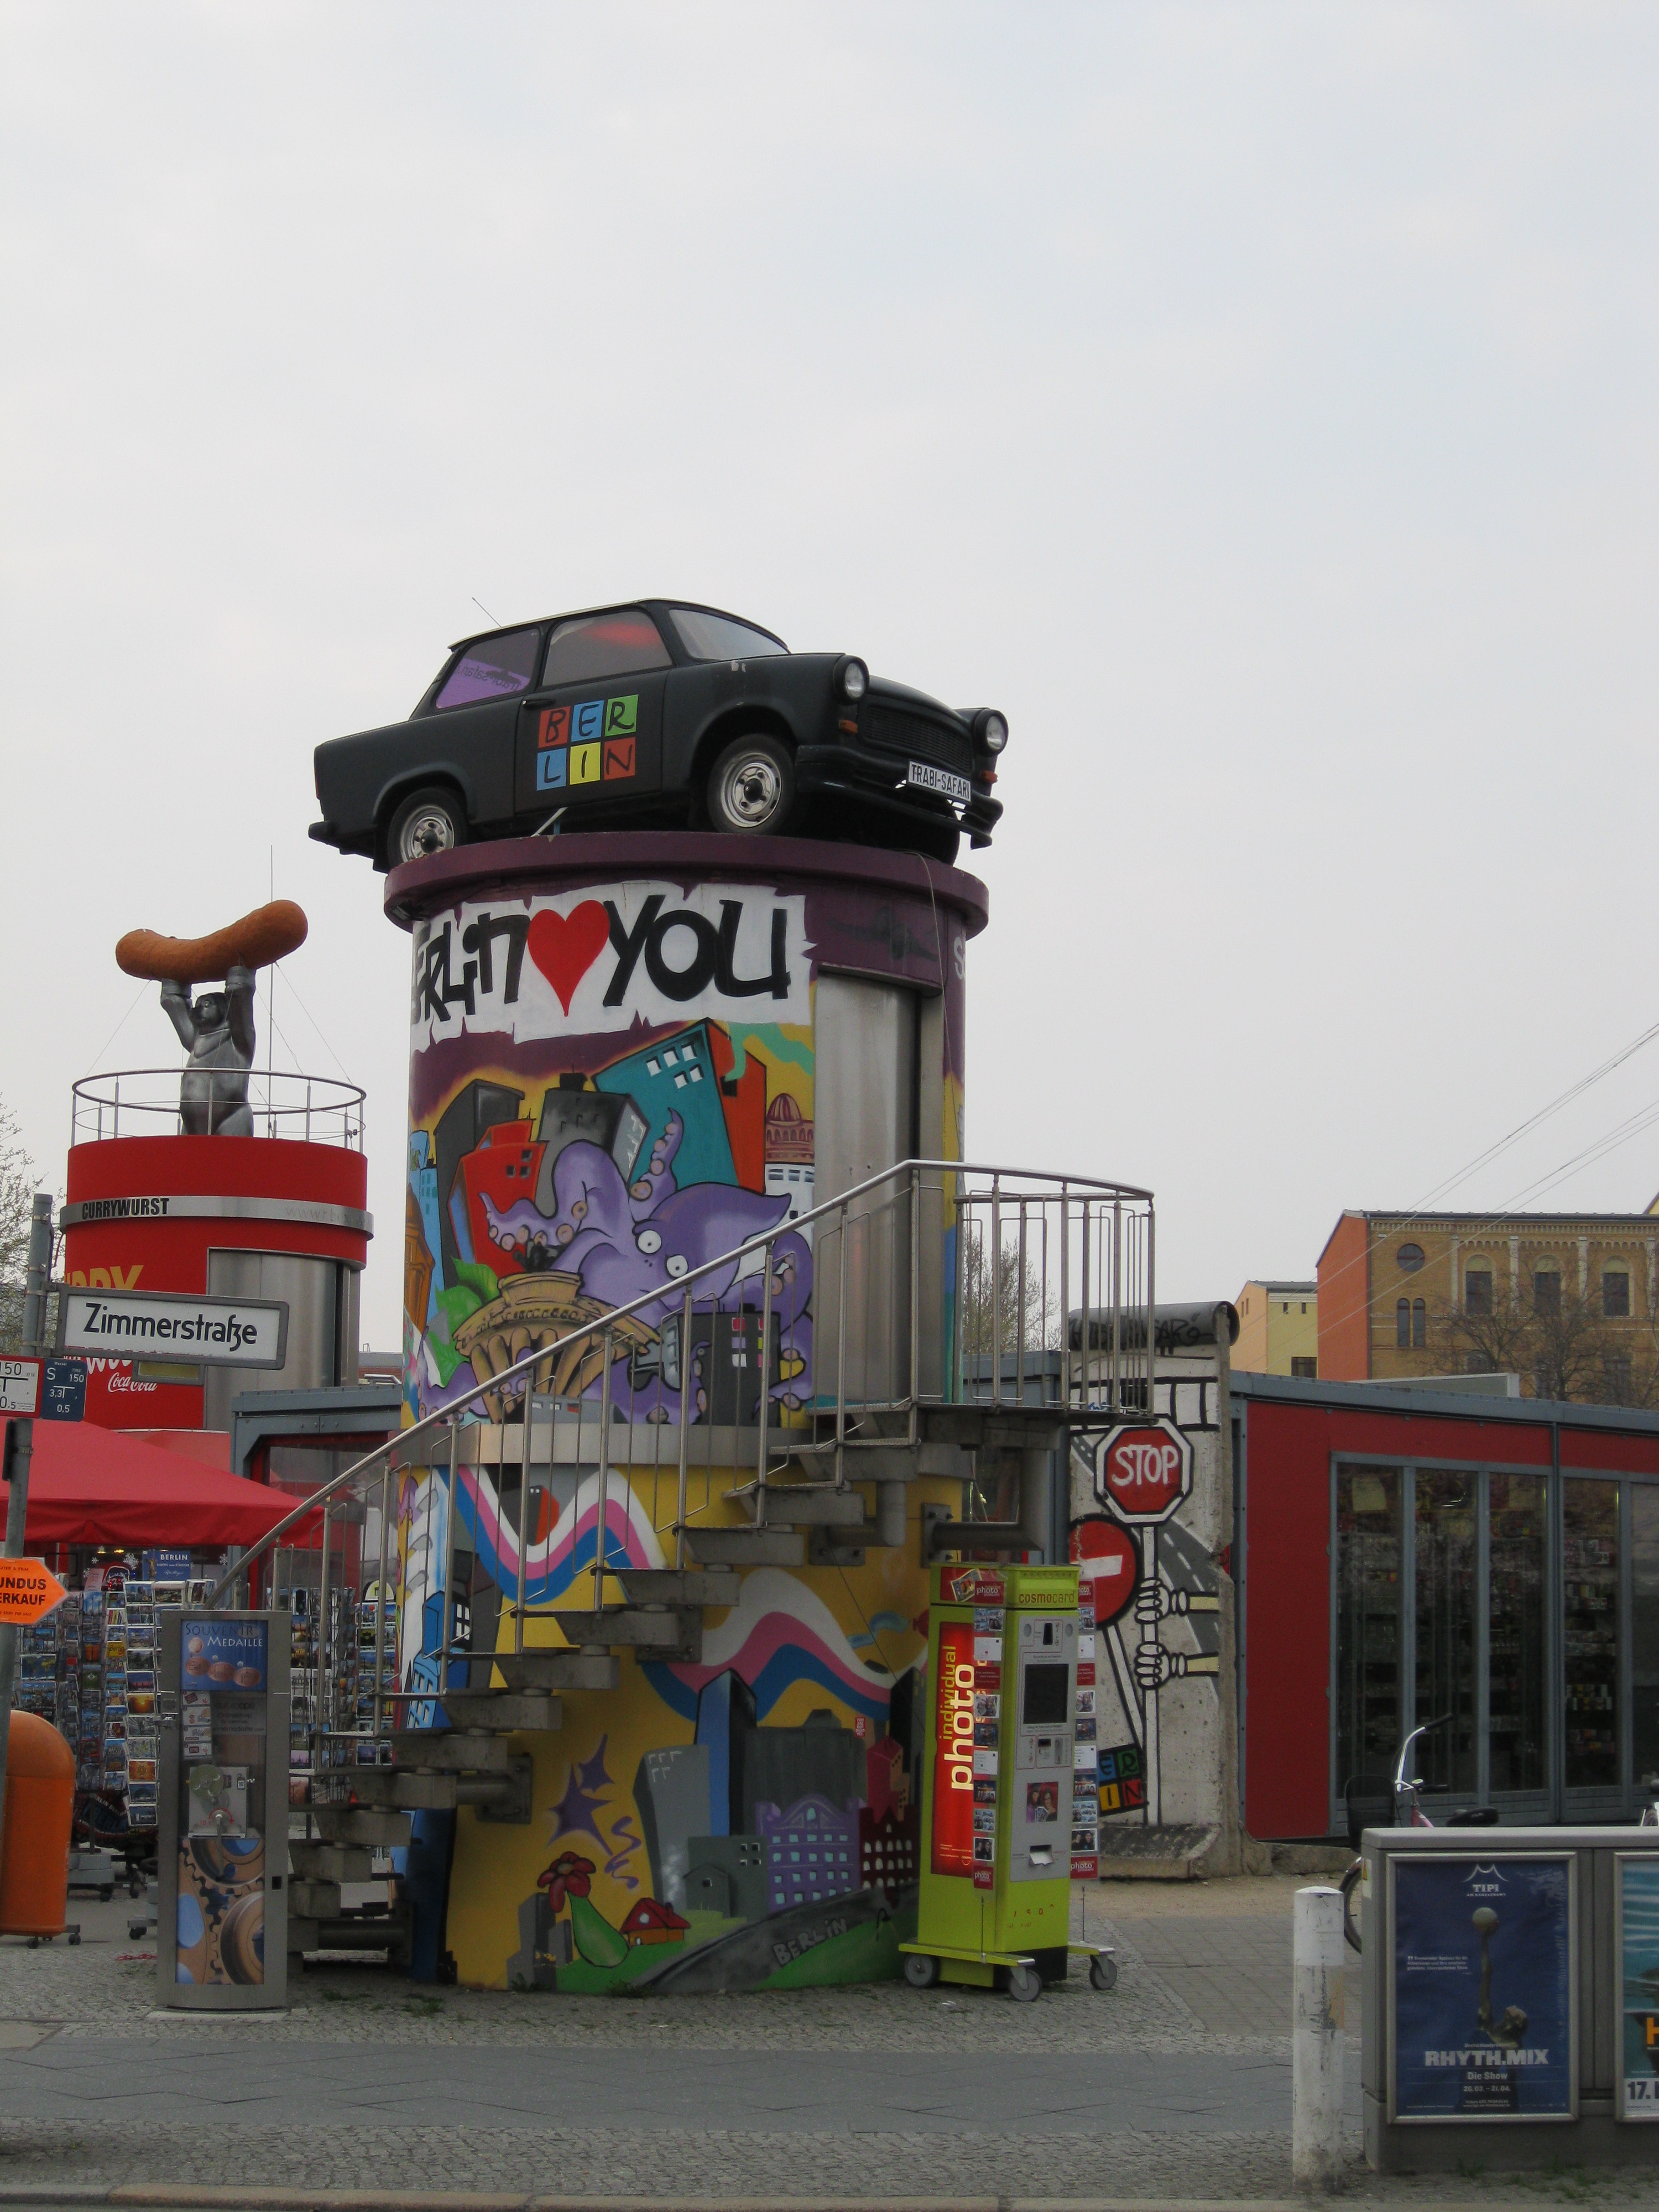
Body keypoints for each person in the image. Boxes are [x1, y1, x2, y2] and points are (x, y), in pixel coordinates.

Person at [161, 966, 257, 1135]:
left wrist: (240, 978)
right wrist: (171, 984)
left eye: (206, 1005)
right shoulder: (197, 1038)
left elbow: (240, 998)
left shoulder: (239, 1041)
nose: (198, 1010)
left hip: (231, 1119)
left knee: (230, 1152)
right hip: (191, 1123)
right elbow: (174, 1004)